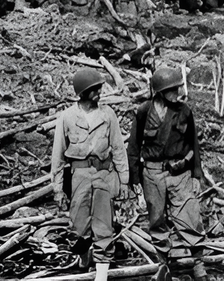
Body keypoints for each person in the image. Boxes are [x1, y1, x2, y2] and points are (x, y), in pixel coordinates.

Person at [128, 67, 207, 281]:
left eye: (177, 87)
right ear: (160, 91)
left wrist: (195, 175)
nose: (176, 92)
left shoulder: (184, 111)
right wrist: (134, 180)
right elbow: (134, 146)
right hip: (152, 173)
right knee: (157, 220)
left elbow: (194, 144)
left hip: (179, 173)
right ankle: (164, 265)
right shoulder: (144, 111)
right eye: (172, 89)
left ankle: (199, 264)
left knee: (190, 216)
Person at [51, 69, 128, 281]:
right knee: (78, 227)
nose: (98, 92)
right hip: (79, 175)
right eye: (93, 89)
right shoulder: (67, 117)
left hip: (103, 173)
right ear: (82, 92)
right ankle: (84, 259)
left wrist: (124, 180)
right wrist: (57, 189)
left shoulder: (107, 114)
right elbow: (58, 156)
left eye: (99, 88)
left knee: (104, 225)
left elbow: (118, 149)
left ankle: (100, 276)